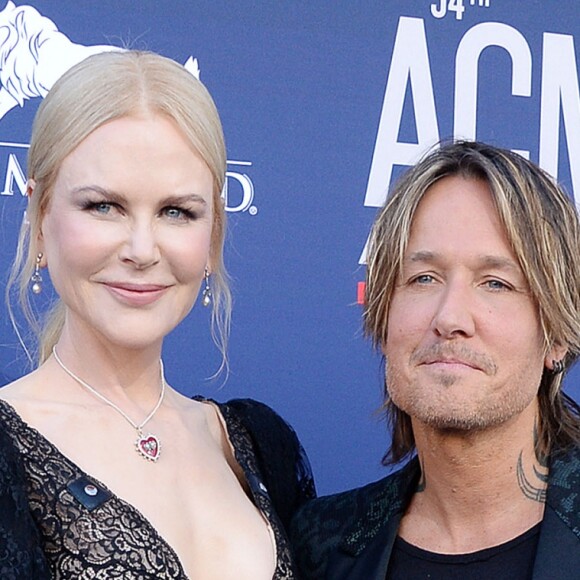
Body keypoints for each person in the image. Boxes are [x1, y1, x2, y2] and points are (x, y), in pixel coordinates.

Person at [0, 50, 315, 579]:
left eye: (177, 212)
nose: (142, 249)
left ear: (213, 232)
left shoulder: (257, 445)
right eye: (104, 206)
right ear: (39, 213)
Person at [291, 140, 580, 579]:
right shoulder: (318, 547)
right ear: (383, 315)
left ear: (556, 335)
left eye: (495, 283)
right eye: (423, 278)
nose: (449, 318)